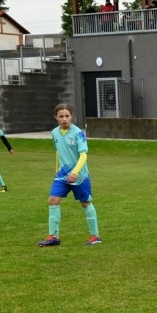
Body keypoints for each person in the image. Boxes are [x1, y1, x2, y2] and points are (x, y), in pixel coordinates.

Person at [37, 103, 102, 247]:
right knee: (53, 200)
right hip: (62, 175)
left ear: (71, 116)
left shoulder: (78, 133)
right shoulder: (54, 132)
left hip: (80, 175)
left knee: (85, 203)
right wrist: (57, 169)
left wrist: (75, 172)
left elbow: (84, 155)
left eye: (67, 116)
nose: (64, 119)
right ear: (56, 118)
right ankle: (53, 237)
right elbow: (58, 152)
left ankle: (95, 236)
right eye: (61, 116)